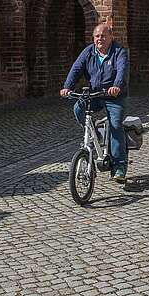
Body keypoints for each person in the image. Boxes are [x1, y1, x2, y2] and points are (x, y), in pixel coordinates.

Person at [60, 22, 129, 183]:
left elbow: (122, 70)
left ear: (111, 37)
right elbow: (76, 68)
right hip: (95, 94)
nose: (100, 39)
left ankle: (119, 167)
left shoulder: (119, 52)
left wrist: (116, 86)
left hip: (114, 96)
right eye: (97, 36)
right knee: (78, 108)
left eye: (103, 36)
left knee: (116, 125)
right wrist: (67, 87)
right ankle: (93, 134)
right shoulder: (88, 52)